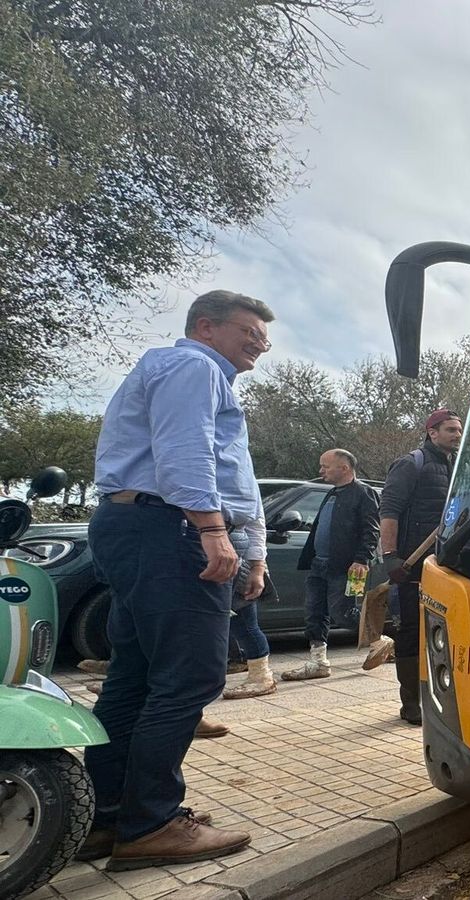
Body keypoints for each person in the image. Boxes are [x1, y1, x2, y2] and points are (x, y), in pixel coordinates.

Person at [82, 290, 270, 869]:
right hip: (171, 529)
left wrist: (251, 546)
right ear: (206, 327)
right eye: (250, 332)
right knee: (189, 679)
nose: (260, 344)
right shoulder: (192, 365)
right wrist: (213, 531)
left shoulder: (183, 371)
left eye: (266, 338)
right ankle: (153, 824)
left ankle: (107, 817)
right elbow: (184, 452)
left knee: (134, 679)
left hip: (143, 526)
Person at [379, 409, 462, 725]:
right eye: (451, 430)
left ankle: (436, 700)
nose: (457, 434)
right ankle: (411, 704)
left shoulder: (452, 467)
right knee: (410, 633)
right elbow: (389, 511)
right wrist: (390, 556)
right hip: (409, 568)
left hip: (440, 567)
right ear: (432, 432)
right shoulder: (410, 464)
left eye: (458, 430)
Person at [277, 449, 379, 681]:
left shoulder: (364, 493)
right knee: (314, 612)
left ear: (344, 468)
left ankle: (379, 641)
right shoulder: (332, 493)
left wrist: (362, 559)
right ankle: (318, 660)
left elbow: (371, 529)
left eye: (325, 466)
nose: (320, 470)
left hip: (345, 567)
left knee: (342, 613)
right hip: (318, 564)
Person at [220, 507, 276, 699]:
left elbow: (256, 523)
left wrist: (258, 566)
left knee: (245, 624)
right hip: (230, 549)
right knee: (240, 625)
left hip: (235, 554)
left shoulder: (238, 482)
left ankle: (261, 677)